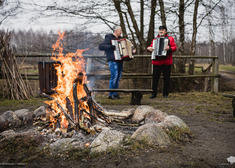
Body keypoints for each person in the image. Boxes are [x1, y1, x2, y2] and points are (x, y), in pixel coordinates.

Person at [147, 25, 177, 98]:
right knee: (155, 78)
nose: (161, 31)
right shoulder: (155, 40)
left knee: (166, 78)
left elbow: (175, 47)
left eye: (163, 30)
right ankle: (153, 93)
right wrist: (148, 48)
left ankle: (165, 93)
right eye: (160, 30)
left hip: (166, 62)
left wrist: (169, 48)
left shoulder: (170, 38)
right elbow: (151, 47)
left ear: (165, 31)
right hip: (156, 62)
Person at [98, 25, 123, 100]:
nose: (121, 32)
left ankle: (115, 93)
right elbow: (101, 47)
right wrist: (112, 47)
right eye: (120, 30)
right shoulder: (109, 38)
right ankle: (111, 94)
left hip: (120, 60)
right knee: (114, 76)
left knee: (118, 77)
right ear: (116, 31)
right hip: (112, 60)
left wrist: (131, 51)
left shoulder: (121, 39)